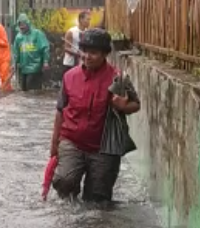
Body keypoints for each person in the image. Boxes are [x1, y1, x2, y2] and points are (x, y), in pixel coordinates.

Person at [50, 29, 141, 202]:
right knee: (64, 182)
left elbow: (136, 104)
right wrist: (54, 144)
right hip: (72, 141)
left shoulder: (118, 79)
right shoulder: (69, 77)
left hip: (104, 147)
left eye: (93, 53)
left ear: (105, 54)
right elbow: (60, 110)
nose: (87, 56)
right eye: (84, 51)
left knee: (98, 200)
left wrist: (123, 106)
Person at [12, 13, 50, 91]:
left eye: (23, 25)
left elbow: (45, 47)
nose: (22, 27)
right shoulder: (18, 37)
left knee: (33, 92)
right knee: (24, 92)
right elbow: (16, 53)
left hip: (35, 68)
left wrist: (45, 61)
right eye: (20, 25)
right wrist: (14, 64)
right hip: (23, 69)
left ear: (28, 24)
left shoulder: (37, 34)